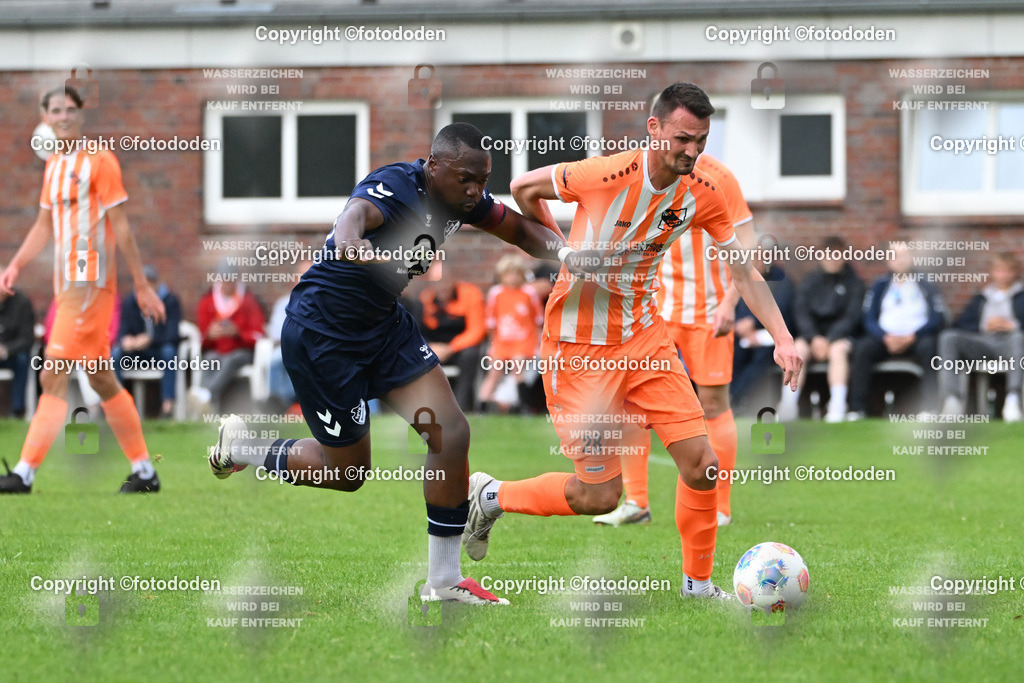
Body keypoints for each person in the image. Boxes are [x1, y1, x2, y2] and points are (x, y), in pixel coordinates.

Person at [205, 122, 596, 606]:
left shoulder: (465, 199)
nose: (474, 190)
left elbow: (518, 228)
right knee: (346, 473)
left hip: (384, 329)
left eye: (482, 179)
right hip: (323, 336)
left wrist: (568, 254)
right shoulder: (395, 185)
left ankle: (444, 582)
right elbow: (356, 213)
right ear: (433, 167)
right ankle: (244, 447)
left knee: (450, 434)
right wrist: (351, 243)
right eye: (464, 179)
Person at [461, 83, 801, 600]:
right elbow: (523, 187)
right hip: (577, 350)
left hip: (645, 340)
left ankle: (698, 585)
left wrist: (782, 337)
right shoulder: (604, 174)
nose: (691, 151)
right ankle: (491, 495)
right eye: (683, 138)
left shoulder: (704, 189)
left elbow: (744, 270)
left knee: (702, 465)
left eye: (702, 140)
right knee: (597, 495)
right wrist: (562, 248)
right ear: (654, 128)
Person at [0, 85, 165, 494]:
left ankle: (24, 472)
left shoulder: (100, 160)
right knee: (102, 379)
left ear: (80, 115)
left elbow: (122, 225)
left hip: (89, 283)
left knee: (52, 375)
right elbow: (43, 224)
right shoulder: (53, 165)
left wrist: (141, 286)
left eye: (71, 109)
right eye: (56, 110)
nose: (64, 116)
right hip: (66, 286)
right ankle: (145, 471)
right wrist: (16, 264)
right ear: (46, 117)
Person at [593, 154, 755, 529]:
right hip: (655, 311)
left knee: (712, 402)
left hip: (709, 311)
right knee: (631, 400)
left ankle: (720, 507)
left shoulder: (720, 178)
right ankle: (636, 503)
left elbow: (750, 248)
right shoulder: (644, 172)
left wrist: (732, 303)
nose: (685, 143)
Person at [848, 242, 946, 419]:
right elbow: (868, 318)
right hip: (885, 338)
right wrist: (884, 336)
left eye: (903, 255)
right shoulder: (879, 285)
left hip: (917, 338)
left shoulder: (926, 284)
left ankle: (930, 408)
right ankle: (857, 409)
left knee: (930, 348)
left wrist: (913, 336)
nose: (899, 260)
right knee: (862, 349)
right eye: (894, 255)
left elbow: (937, 318)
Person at [778, 236, 865, 423]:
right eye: (828, 255)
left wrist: (831, 338)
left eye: (837, 255)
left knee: (838, 350)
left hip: (840, 338)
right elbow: (800, 312)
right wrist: (814, 337)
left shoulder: (855, 284)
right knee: (797, 350)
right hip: (811, 337)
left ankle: (838, 404)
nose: (832, 259)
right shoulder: (809, 281)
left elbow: (852, 316)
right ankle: (788, 404)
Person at [938, 253, 1024, 421]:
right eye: (999, 271)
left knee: (1018, 339)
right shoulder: (982, 297)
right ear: (993, 272)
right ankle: (952, 401)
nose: (1003, 275)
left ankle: (1013, 400)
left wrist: (1012, 326)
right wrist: (983, 326)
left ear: (1015, 273)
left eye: (1007, 271)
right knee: (949, 337)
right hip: (982, 342)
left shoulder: (1021, 296)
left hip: (1010, 344)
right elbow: (959, 324)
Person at [190, 273, 265, 415]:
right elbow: (201, 337)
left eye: (231, 281)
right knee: (210, 360)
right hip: (217, 350)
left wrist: (238, 332)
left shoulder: (248, 301)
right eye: (224, 281)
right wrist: (211, 335)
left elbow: (258, 334)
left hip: (242, 351)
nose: (227, 285)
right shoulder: (208, 301)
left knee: (231, 360)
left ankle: (205, 396)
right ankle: (207, 406)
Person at [478, 254, 544, 412]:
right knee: (494, 373)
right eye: (508, 274)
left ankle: (524, 407)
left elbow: (538, 320)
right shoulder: (496, 293)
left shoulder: (529, 292)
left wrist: (537, 343)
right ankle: (481, 407)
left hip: (523, 341)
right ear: (502, 275)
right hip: (502, 341)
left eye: (516, 274)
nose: (512, 278)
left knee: (518, 369)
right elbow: (490, 322)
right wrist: (492, 345)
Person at [114, 265, 182, 418]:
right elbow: (122, 331)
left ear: (155, 284)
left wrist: (149, 339)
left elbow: (172, 335)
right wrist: (126, 340)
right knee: (116, 354)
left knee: (170, 352)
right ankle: (116, 406)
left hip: (158, 352)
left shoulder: (170, 302)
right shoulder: (129, 303)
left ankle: (167, 407)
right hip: (136, 353)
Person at [730, 256, 794, 414]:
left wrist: (754, 323)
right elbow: (734, 307)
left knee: (763, 356)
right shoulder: (742, 279)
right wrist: (741, 325)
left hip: (770, 335)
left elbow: (781, 309)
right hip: (744, 335)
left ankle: (739, 397)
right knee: (733, 352)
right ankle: (731, 397)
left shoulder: (782, 281)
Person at [415, 271, 486, 412]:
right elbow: (419, 331)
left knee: (471, 355)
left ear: (453, 281)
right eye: (437, 284)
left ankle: (462, 408)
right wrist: (430, 347)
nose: (442, 288)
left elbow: (477, 331)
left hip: (459, 349)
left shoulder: (470, 294)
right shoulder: (425, 298)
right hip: (435, 349)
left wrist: (451, 348)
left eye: (445, 283)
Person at [0, 287, 36, 418]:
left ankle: (18, 409)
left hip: (12, 354)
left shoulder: (22, 302)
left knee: (22, 358)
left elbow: (27, 338)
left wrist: (6, 350)